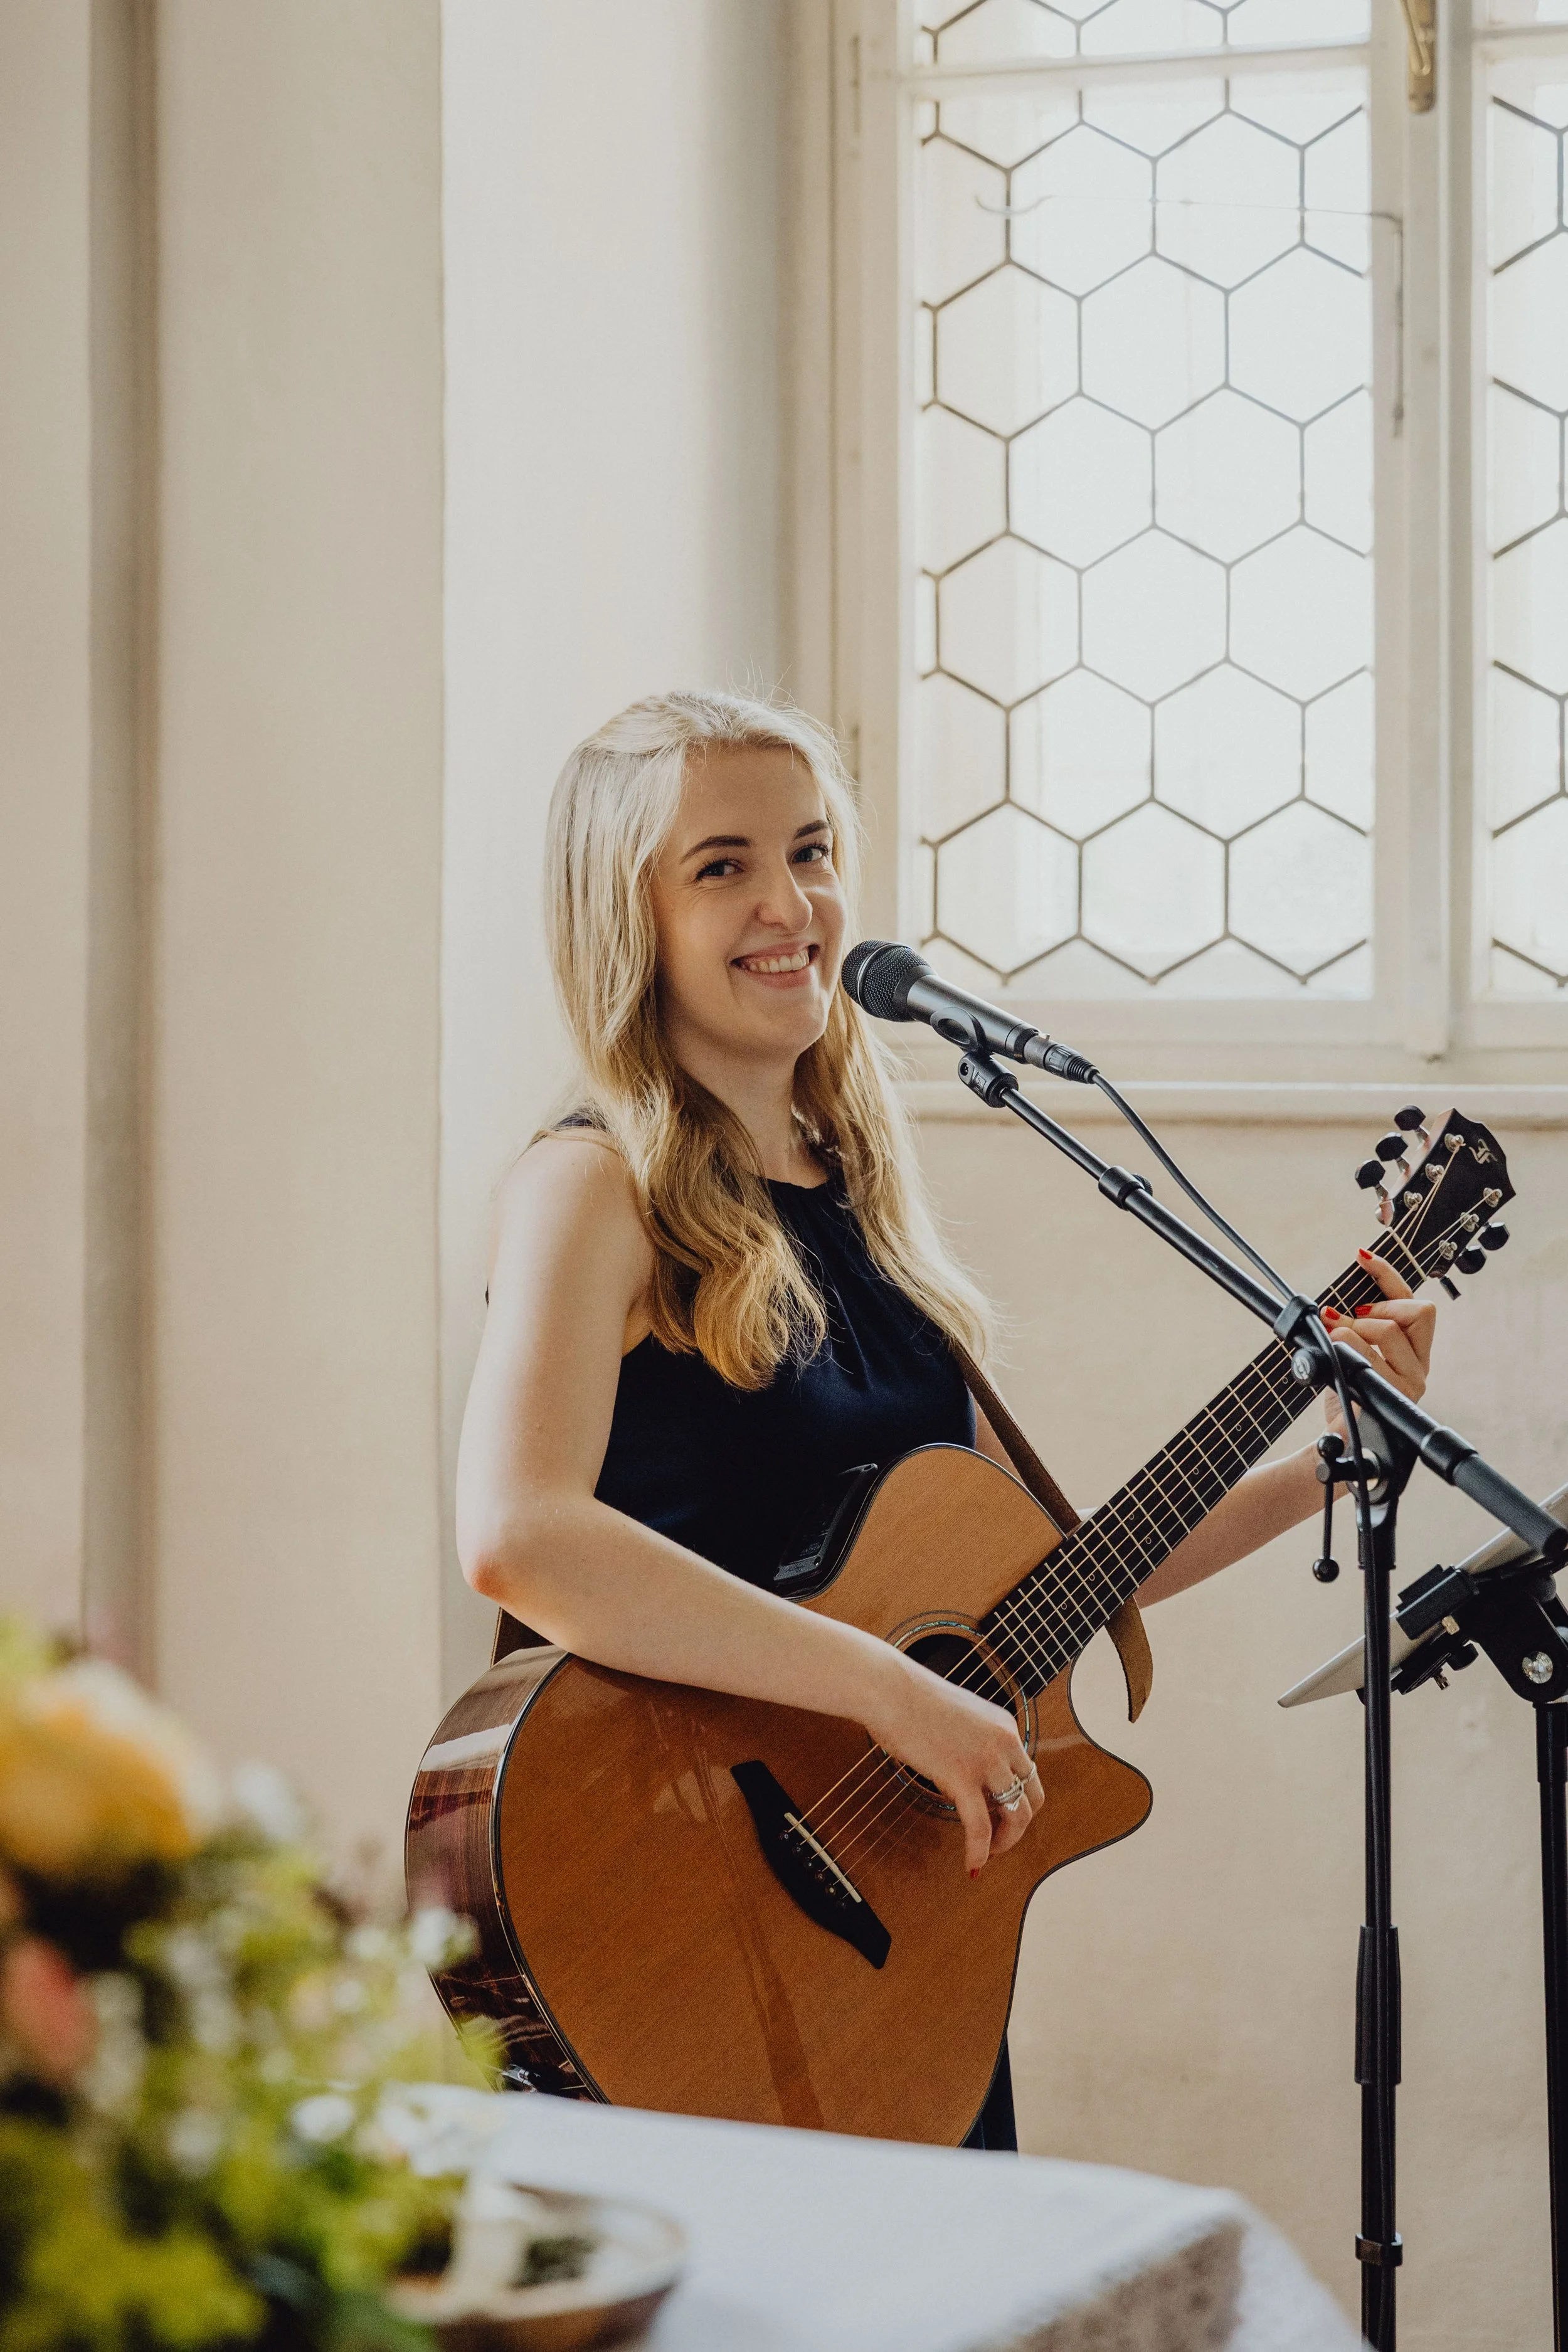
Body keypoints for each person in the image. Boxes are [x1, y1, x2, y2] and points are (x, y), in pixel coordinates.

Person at [455, 689, 1437, 2151]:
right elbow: (520, 1539)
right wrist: (888, 1691)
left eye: (809, 850)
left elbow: (1028, 1584)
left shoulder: (853, 1185)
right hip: (678, 1917)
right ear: (627, 916)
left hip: (894, 1969)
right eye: (720, 865)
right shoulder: (590, 1187)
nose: (790, 903)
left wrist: (1322, 1471)